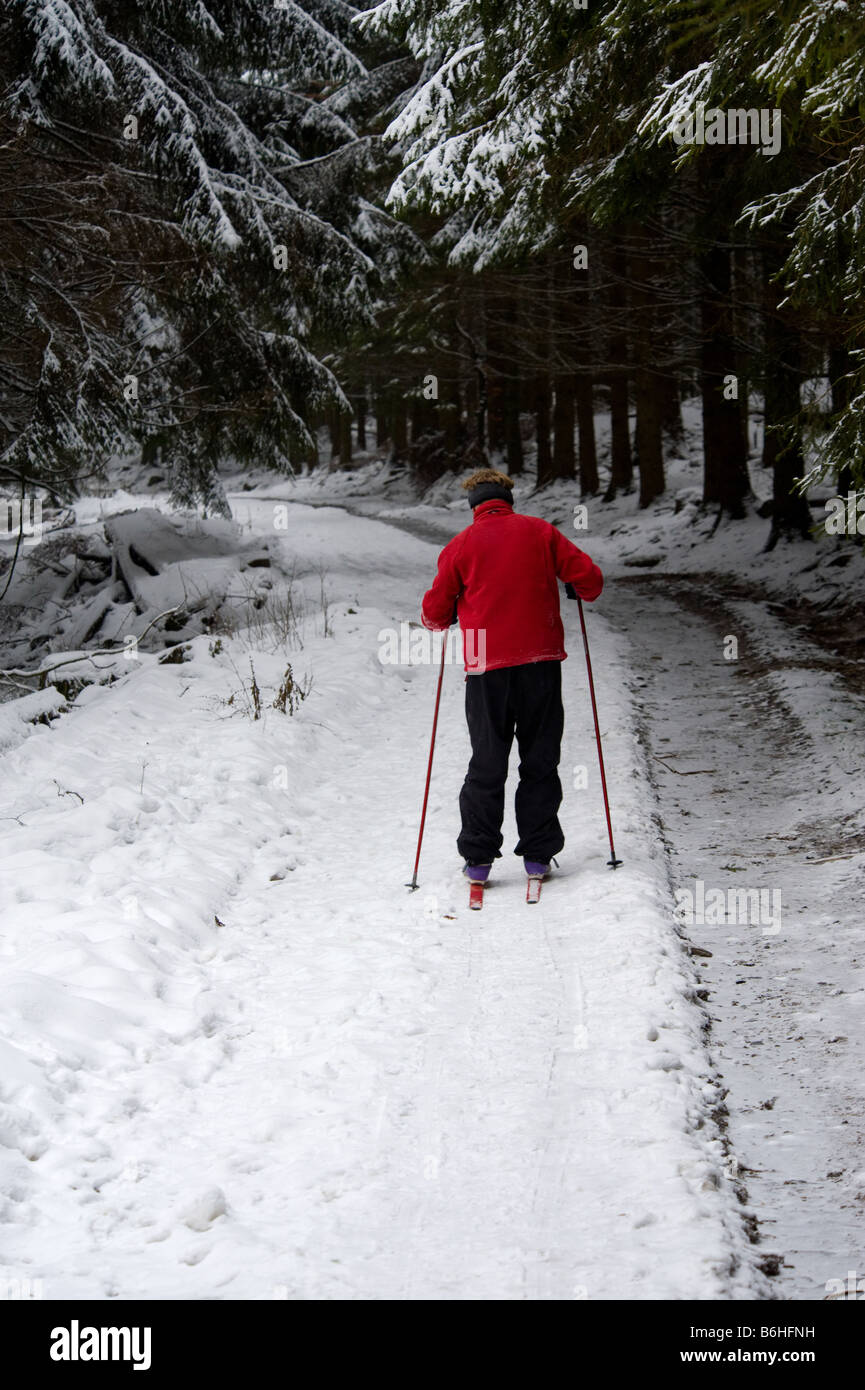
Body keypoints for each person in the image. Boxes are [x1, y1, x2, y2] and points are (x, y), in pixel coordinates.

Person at [420, 468, 603, 886]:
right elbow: (590, 581)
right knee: (539, 759)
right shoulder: (541, 533)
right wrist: (576, 588)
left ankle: (479, 860)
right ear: (509, 499)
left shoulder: (460, 545)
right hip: (541, 663)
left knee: (487, 763)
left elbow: (433, 615)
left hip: (486, 667)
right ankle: (538, 856)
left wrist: (447, 614)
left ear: (473, 505)